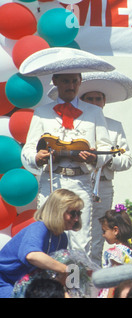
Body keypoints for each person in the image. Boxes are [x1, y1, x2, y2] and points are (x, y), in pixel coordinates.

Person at [21, 72, 113, 261]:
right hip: (52, 180)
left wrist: (93, 158)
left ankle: (74, 287)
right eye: (65, 81)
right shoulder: (42, 112)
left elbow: (106, 149)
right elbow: (28, 149)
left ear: (80, 82)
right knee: (48, 233)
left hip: (80, 180)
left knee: (80, 239)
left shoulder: (94, 112)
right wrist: (37, 157)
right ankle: (50, 286)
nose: (70, 86)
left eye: (74, 81)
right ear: (55, 82)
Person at [74, 71, 132, 265]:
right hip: (78, 183)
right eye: (89, 98)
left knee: (99, 236)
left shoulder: (114, 126)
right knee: (76, 235)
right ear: (82, 101)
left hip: (103, 185)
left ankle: (96, 285)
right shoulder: (75, 124)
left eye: (98, 98)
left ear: (104, 101)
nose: (94, 102)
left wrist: (106, 159)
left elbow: (126, 160)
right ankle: (76, 283)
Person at [0, 189, 83, 298]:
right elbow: (32, 255)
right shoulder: (39, 228)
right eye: (72, 213)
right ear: (57, 211)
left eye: (78, 213)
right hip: (5, 282)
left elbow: (54, 273)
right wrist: (65, 269)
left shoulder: (62, 238)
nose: (76, 218)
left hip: (27, 285)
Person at [97, 204, 132, 298]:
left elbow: (113, 280)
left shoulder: (113, 253)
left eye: (104, 231)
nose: (103, 235)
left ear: (115, 230)